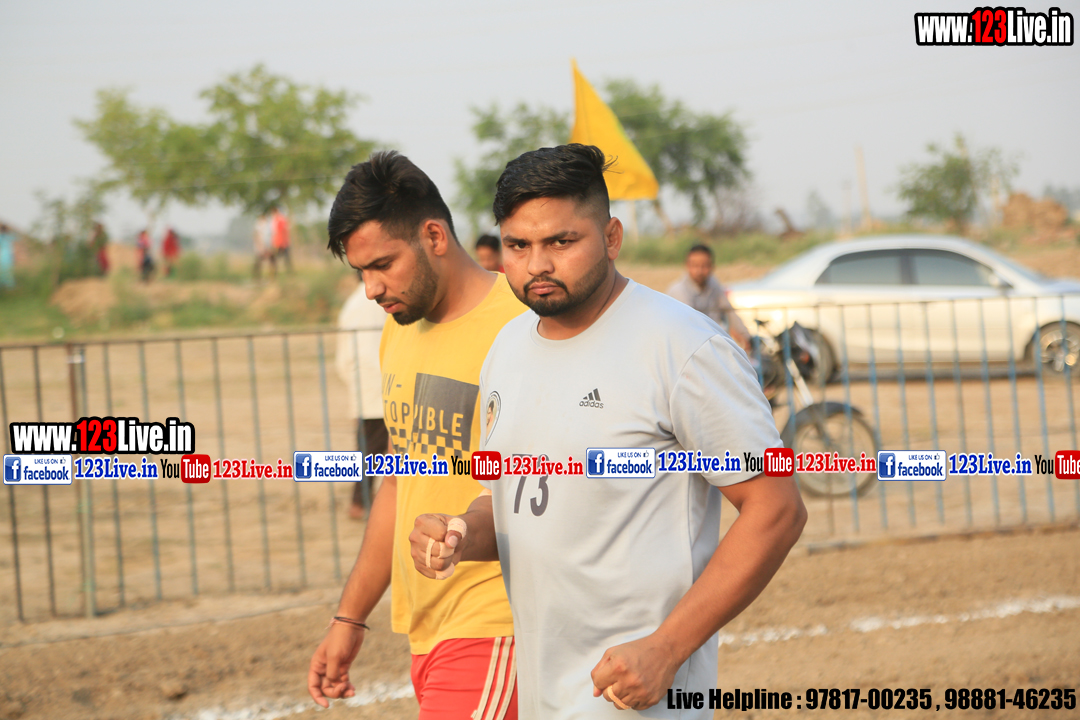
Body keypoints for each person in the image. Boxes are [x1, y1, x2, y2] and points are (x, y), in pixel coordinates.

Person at [409, 144, 807, 719]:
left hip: (641, 697)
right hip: (544, 694)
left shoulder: (682, 347)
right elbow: (509, 500)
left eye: (561, 242)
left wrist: (666, 648)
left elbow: (777, 508)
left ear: (612, 237)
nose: (537, 265)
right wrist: (459, 533)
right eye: (518, 245)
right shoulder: (506, 350)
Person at [308, 150, 526, 720]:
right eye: (361, 272)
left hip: (498, 622)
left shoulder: (522, 327)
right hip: (428, 628)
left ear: (434, 235)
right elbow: (399, 482)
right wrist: (350, 617)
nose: (371, 288)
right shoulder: (398, 330)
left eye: (383, 264)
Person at [335, 278, 390, 520]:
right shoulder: (371, 303)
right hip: (376, 386)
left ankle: (364, 500)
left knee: (372, 448)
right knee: (372, 449)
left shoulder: (356, 303)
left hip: (370, 385)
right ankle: (359, 502)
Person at [666, 244, 751, 351]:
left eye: (704, 266)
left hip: (711, 344)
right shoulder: (679, 291)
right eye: (695, 265)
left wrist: (745, 337)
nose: (699, 271)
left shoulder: (713, 285)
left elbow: (729, 312)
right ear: (687, 266)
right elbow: (691, 326)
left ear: (712, 266)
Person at [271, 206, 293, 273]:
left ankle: (288, 272)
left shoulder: (280, 220)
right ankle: (275, 272)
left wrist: (282, 242)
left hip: (281, 242)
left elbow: (282, 232)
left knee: (284, 258)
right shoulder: (276, 220)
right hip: (279, 242)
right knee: (282, 258)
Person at [0, 223, 16, 288]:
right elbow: (17, 237)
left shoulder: (2, 236)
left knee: (3, 269)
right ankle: (9, 285)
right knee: (8, 269)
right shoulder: (8, 236)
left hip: (3, 254)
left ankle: (4, 284)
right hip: (8, 254)